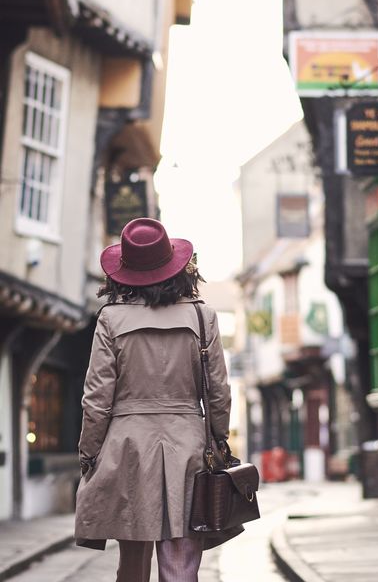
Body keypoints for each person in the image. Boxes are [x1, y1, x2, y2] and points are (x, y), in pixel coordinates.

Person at [74, 217, 235, 582]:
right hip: (188, 445)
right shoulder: (202, 315)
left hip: (127, 446)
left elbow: (97, 397)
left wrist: (89, 452)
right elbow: (219, 391)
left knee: (131, 558)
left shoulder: (110, 319)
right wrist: (219, 440)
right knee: (181, 556)